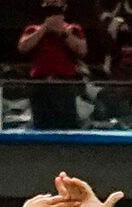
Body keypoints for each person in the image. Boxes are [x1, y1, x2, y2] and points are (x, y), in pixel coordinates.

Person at [16, 0, 85, 128]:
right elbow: (23, 47)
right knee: (41, 123)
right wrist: (44, 28)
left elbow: (82, 50)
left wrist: (62, 33)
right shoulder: (32, 29)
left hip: (64, 84)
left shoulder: (73, 29)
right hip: (40, 84)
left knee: (66, 125)